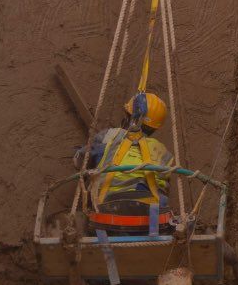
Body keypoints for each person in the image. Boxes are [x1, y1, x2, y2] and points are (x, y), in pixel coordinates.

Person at [75, 91, 175, 236]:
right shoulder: (163, 151)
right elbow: (165, 185)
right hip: (152, 217)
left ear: (129, 116)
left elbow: (80, 161)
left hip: (108, 211)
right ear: (155, 126)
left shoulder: (109, 136)